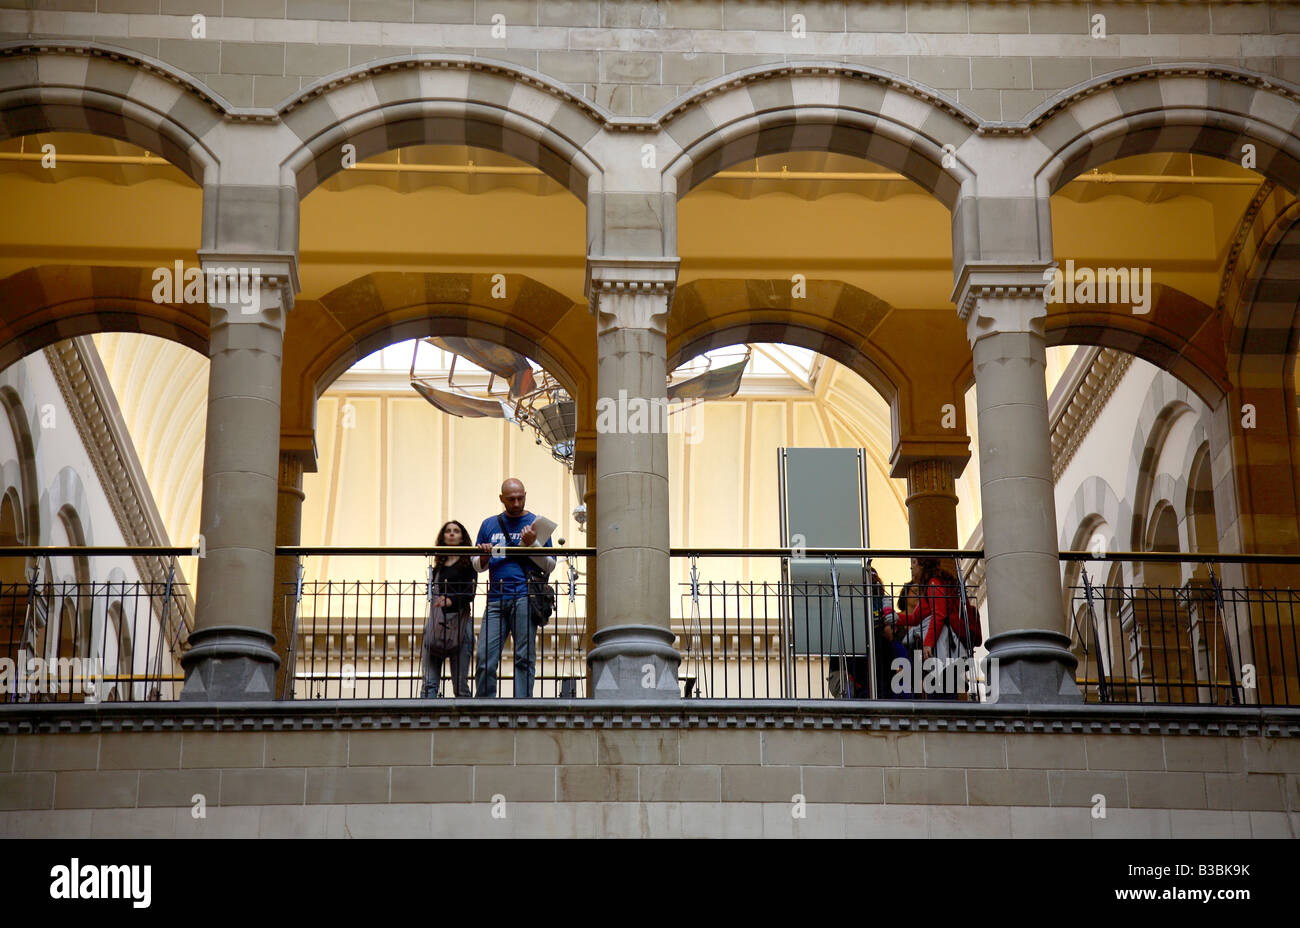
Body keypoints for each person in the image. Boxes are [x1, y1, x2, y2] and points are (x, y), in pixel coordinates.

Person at [473, 478, 555, 698]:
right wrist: (484, 554)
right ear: (502, 499)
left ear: (525, 495)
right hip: (496, 598)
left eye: (520, 498)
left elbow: (551, 564)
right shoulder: (489, 524)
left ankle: (522, 705)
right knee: (484, 658)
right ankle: (484, 704)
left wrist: (533, 545)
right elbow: (478, 565)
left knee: (524, 657)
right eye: (511, 499)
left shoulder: (538, 525)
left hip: (524, 596)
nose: (517, 503)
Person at [894, 557, 968, 698]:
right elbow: (915, 618)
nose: (911, 568)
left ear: (923, 565)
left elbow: (939, 614)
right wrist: (895, 617)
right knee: (939, 689)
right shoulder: (930, 586)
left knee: (941, 690)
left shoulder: (933, 583)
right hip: (940, 646)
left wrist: (928, 643)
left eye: (914, 563)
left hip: (942, 646)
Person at [420, 520, 478, 698]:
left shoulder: (469, 564)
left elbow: (470, 593)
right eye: (448, 531)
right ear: (443, 537)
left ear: (462, 538)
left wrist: (450, 600)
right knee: (429, 684)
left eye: (456, 531)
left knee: (460, 686)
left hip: (460, 622)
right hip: (437, 623)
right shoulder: (437, 567)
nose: (452, 534)